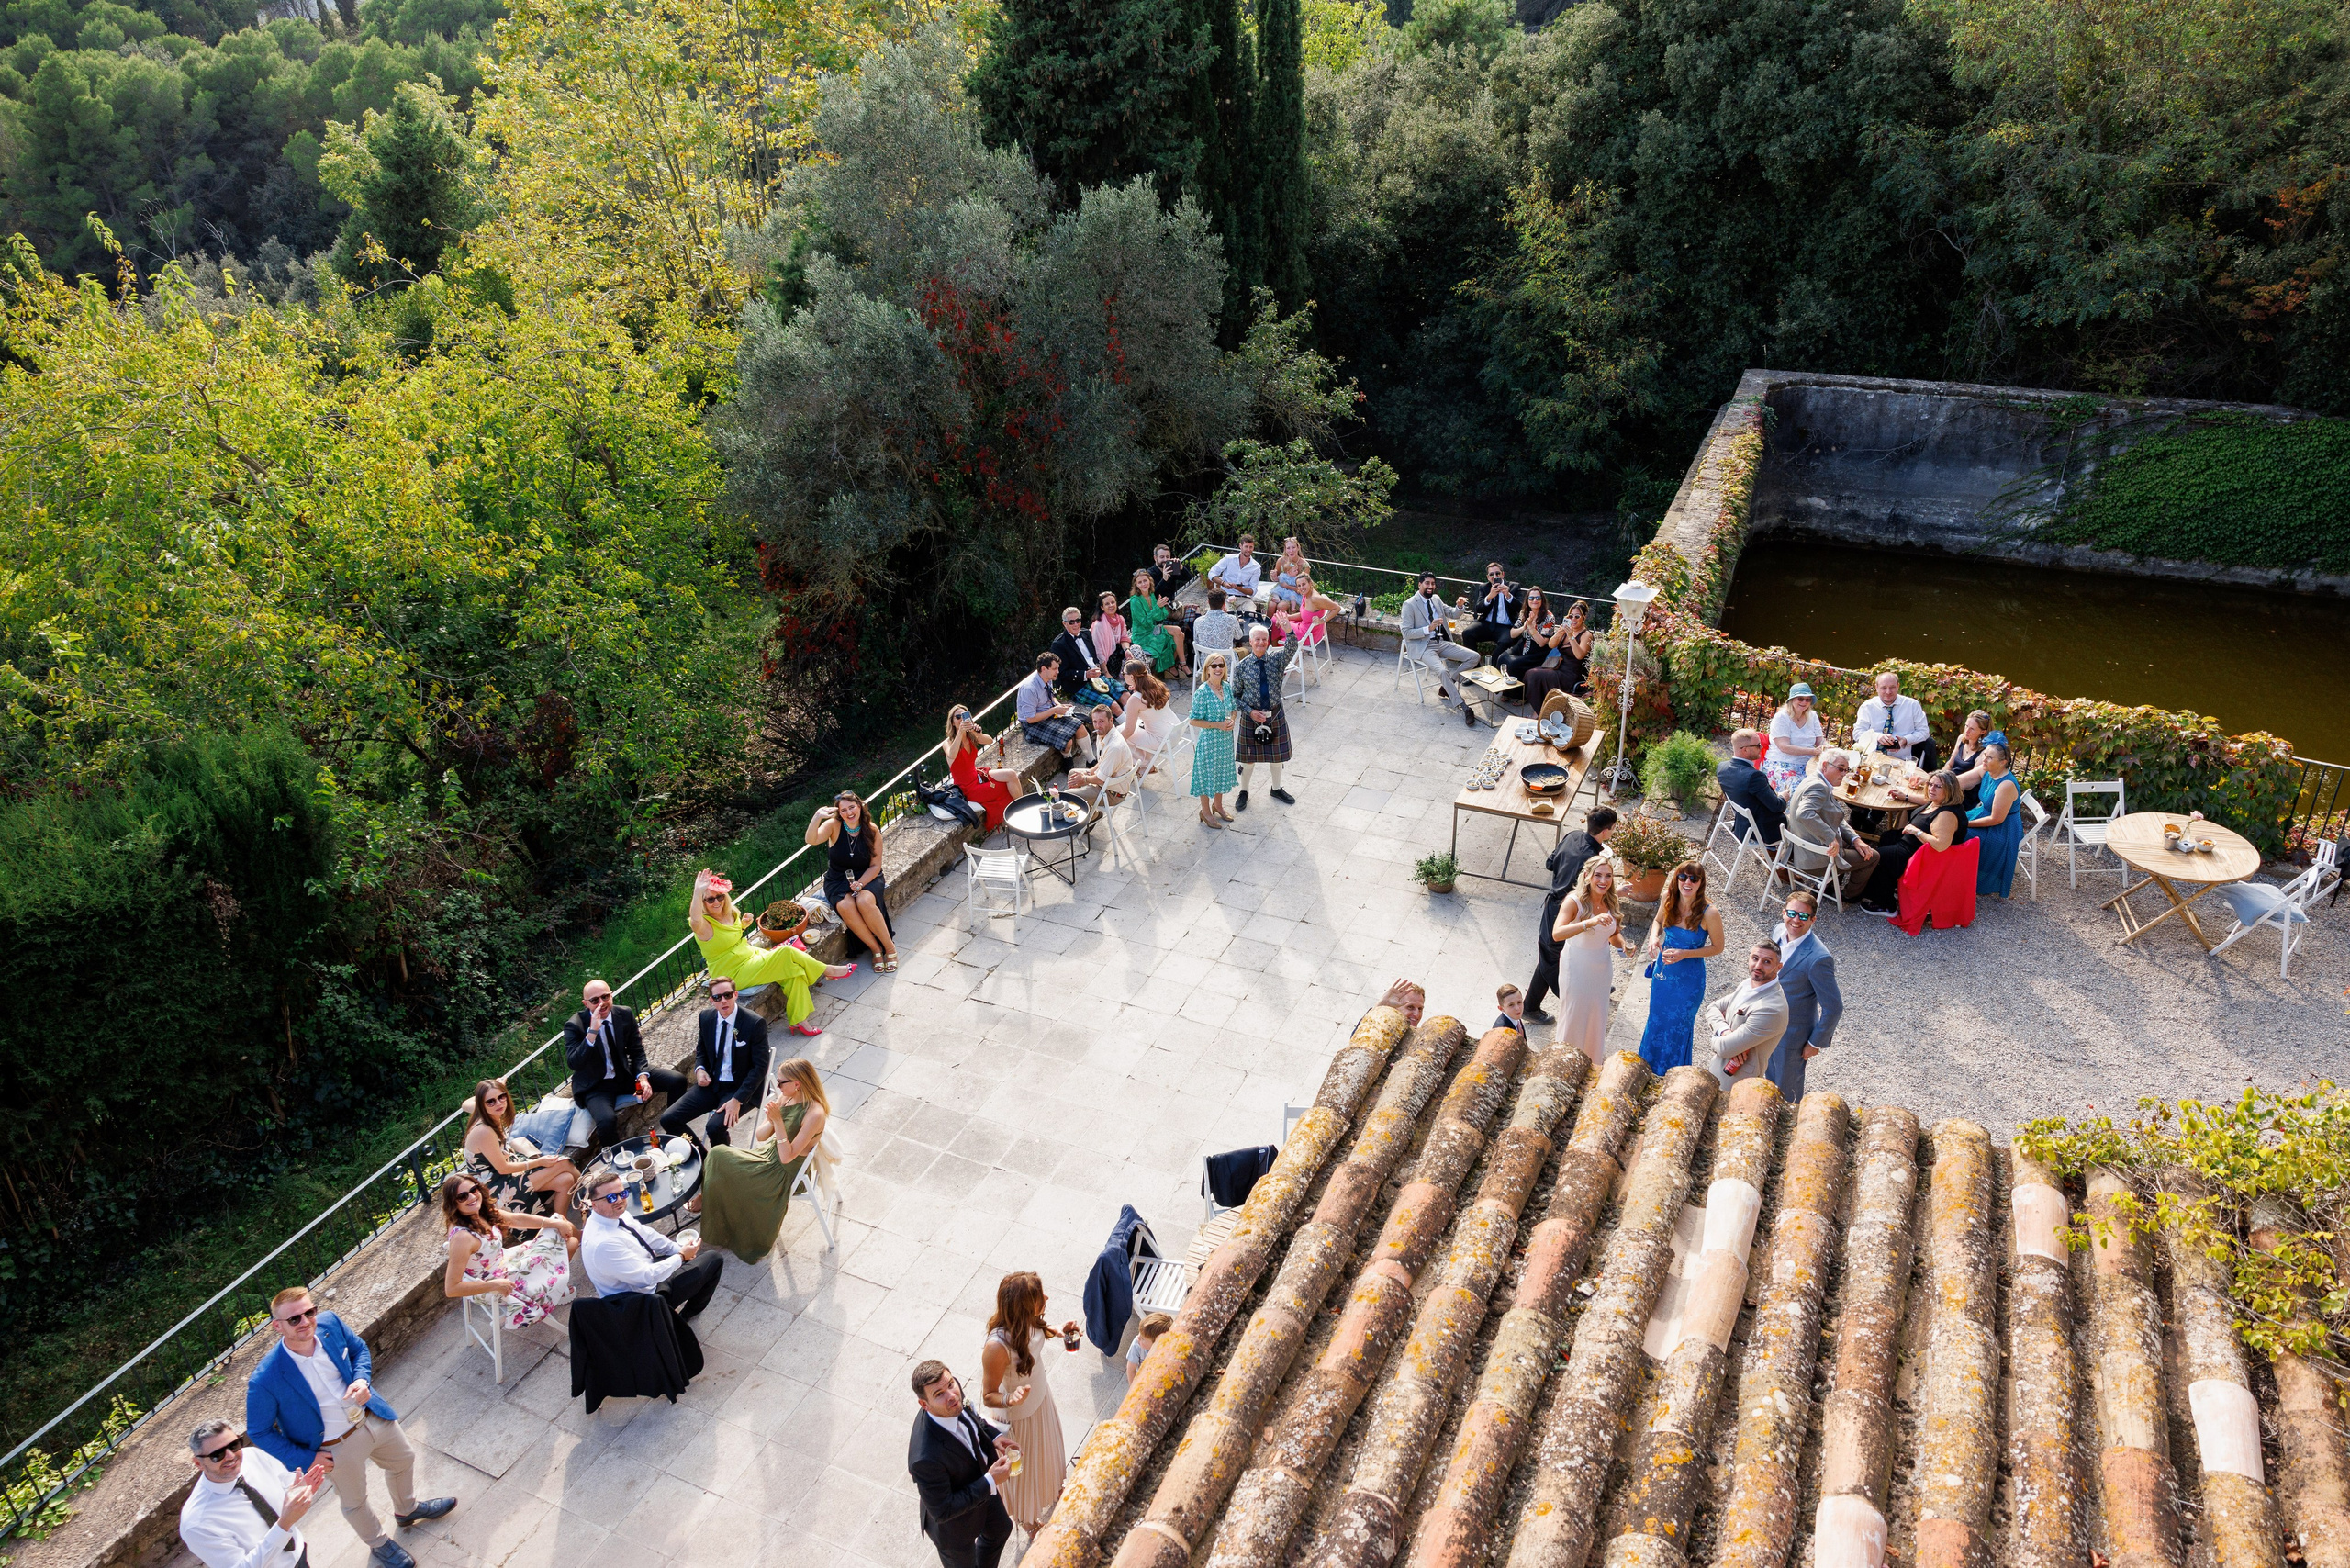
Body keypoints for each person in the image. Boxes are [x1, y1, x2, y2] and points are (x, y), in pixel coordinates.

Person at [247, 1287, 453, 1568]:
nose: (306, 1321)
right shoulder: (266, 1378)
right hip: (334, 1447)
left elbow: (358, 1350)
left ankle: (407, 1509)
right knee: (355, 1501)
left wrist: (361, 1380)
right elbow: (258, 1431)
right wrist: (307, 1459)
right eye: (295, 1319)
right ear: (277, 1326)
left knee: (404, 1459)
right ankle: (379, 1545)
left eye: (309, 1312)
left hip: (371, 1417)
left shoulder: (330, 1323)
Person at [696, 1058, 834, 1264]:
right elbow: (761, 1136)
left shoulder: (815, 1113)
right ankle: (711, 1204)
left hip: (783, 1170)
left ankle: (721, 1217)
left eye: (781, 1083)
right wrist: (771, 1119)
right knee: (717, 1156)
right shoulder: (786, 1099)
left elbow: (788, 1157)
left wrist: (778, 1121)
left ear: (797, 1084)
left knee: (719, 1160)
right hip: (768, 1155)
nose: (777, 1087)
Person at [690, 870, 852, 1038]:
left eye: (720, 897)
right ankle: (827, 970)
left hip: (751, 956)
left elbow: (728, 938)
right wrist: (697, 890)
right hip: (732, 972)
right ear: (702, 902)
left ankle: (799, 1020)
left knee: (793, 972)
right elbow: (695, 921)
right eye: (710, 899)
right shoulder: (704, 925)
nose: (716, 902)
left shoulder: (729, 913)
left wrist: (743, 925)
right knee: (786, 952)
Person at [980, 1271, 1077, 1536]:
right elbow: (988, 1393)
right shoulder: (996, 1348)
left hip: (1041, 1401)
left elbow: (1036, 1333)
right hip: (1019, 1418)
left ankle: (1054, 1485)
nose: (1046, 1298)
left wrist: (1058, 1330)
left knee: (1048, 1450)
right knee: (1026, 1472)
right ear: (1023, 1306)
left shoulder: (1028, 1321)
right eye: (1039, 1297)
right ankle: (1027, 1519)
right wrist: (1009, 1398)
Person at [908, 1360, 1017, 1568]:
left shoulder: (954, 1398)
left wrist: (993, 1437)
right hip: (954, 1527)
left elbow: (974, 1419)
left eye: (950, 1384)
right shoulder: (924, 1458)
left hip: (983, 1490)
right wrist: (990, 1481)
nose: (951, 1396)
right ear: (924, 1404)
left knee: (1001, 1529)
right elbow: (943, 1509)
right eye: (938, 1394)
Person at [180, 1417, 330, 1568]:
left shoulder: (252, 1456)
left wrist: (299, 1491)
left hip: (299, 1555)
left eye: (234, 1445)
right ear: (198, 1463)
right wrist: (284, 1524)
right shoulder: (197, 1522)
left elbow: (284, 1483)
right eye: (217, 1455)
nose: (231, 1456)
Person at [577, 1169, 724, 1317]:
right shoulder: (604, 1244)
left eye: (622, 1194)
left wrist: (677, 1249)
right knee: (714, 1260)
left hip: (644, 1275)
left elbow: (648, 1236)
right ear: (594, 1204)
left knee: (686, 1261)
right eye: (610, 1198)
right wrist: (681, 1256)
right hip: (641, 1300)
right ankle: (683, 1318)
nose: (619, 1200)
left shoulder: (615, 1215)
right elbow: (646, 1277)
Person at [438, 1171, 576, 1329]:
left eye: (473, 1190)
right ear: (453, 1203)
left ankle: (552, 1288)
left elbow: (515, 1219)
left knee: (560, 1224)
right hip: (491, 1284)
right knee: (569, 1242)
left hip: (504, 1262)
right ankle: (550, 1289)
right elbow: (452, 1288)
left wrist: (553, 1223)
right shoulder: (463, 1238)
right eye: (462, 1196)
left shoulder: (480, 1212)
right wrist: (494, 1285)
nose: (471, 1197)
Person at [564, 980, 687, 1150]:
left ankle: (675, 1132)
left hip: (624, 1074)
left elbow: (636, 1050)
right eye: (595, 1000)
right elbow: (574, 1063)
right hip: (596, 1085)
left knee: (677, 1080)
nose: (602, 1003)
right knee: (606, 1121)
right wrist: (592, 1032)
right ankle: (618, 1159)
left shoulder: (624, 1013)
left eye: (605, 997)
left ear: (611, 995)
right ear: (586, 1004)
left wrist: (642, 1077)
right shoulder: (575, 1025)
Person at [655, 977, 774, 1148]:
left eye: (727, 995)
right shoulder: (706, 1018)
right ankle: (703, 1160)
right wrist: (700, 1069)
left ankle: (722, 1164)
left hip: (740, 1088)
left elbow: (761, 1066)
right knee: (669, 1119)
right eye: (718, 997)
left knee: (714, 1127)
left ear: (736, 995)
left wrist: (737, 1100)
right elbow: (702, 1048)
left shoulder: (753, 1023)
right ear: (712, 1000)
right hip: (713, 1084)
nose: (723, 1000)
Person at [1524, 806, 1617, 1021]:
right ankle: (1573, 997)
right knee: (1551, 956)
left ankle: (1533, 1005)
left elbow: (1550, 863)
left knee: (1557, 953)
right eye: (1612, 829)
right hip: (1567, 909)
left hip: (1558, 906)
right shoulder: (1593, 859)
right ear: (1605, 832)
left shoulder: (1572, 835)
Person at [1637, 860, 1725, 1074]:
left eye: (1694, 879)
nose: (1688, 882)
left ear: (1701, 883)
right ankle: (1646, 1070)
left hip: (1689, 980)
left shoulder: (1709, 913)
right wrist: (1653, 938)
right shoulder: (1668, 898)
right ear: (1676, 879)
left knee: (1678, 1027)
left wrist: (1685, 954)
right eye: (1683, 877)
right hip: (1664, 973)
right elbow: (1657, 922)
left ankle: (1671, 1074)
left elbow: (1718, 947)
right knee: (1656, 1020)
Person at [1857, 768, 1971, 913]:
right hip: (1910, 844)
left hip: (1920, 856)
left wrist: (1916, 831)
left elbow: (1940, 845)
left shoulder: (1947, 815)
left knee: (1877, 857)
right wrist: (1904, 797)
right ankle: (1891, 884)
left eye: (1938, 786)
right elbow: (1925, 801)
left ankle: (1886, 904)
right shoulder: (1938, 801)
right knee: (1887, 837)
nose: (1931, 789)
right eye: (1930, 784)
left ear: (1950, 789)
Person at [462, 1078, 578, 1216]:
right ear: (482, 1104)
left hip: (505, 1174)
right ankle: (590, 1190)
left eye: (501, 1096)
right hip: (494, 1188)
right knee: (563, 1162)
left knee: (566, 1180)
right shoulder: (484, 1131)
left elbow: (465, 1104)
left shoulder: (484, 1111)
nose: (498, 1103)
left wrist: (495, 1086)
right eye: (491, 1101)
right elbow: (503, 1168)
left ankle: (561, 1225)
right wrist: (539, 1162)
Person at [809, 790, 898, 972]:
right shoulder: (833, 826)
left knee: (864, 901)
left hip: (867, 875)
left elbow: (875, 865)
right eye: (843, 810)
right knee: (845, 906)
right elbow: (811, 839)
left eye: (852, 807)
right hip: (837, 878)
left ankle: (890, 949)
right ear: (838, 813)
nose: (849, 813)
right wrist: (817, 817)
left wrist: (861, 884)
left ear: (859, 806)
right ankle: (876, 950)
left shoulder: (871, 830)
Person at [1766, 892, 1841, 1103]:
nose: (1796, 920)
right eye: (1791, 913)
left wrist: (1815, 1043)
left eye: (1803, 916)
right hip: (1766, 1024)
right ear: (1783, 913)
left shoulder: (1819, 958)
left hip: (1792, 1036)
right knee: (1766, 1077)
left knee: (1786, 1091)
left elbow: (1834, 1007)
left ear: (1813, 920)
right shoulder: (1779, 932)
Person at [1551, 857, 1627, 1066]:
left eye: (1608, 876)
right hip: (1577, 966)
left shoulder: (1611, 901)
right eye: (1598, 875)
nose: (1603, 880)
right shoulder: (1573, 901)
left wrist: (1624, 946)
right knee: (1574, 1015)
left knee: (1597, 1017)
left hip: (1602, 969)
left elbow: (1613, 935)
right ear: (1587, 876)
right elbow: (1557, 933)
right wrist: (1588, 922)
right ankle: (1563, 1062)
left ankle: (1592, 1064)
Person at [1786, 753, 1882, 893]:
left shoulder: (1814, 780)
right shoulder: (1819, 787)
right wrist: (1831, 837)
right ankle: (1849, 895)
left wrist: (1856, 839)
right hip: (1814, 859)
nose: (1844, 774)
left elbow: (1835, 818)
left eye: (1846, 770)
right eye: (1840, 768)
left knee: (1856, 845)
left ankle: (1829, 886)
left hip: (1803, 848)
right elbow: (1804, 813)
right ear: (1825, 765)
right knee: (1874, 856)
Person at [1232, 622, 1302, 811]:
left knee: (1277, 758)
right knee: (1247, 760)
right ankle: (1244, 791)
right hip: (1251, 718)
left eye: (1264, 639)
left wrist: (1288, 629)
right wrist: (1250, 712)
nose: (1261, 642)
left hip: (1274, 714)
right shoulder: (1241, 667)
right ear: (1251, 642)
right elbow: (1234, 697)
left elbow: (1293, 646)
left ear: (1268, 641)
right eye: (1257, 639)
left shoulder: (1277, 661)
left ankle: (1276, 788)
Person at [1703, 942, 1788, 1088]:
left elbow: (1724, 1048)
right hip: (1716, 1070)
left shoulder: (1772, 1008)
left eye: (1767, 962)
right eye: (1755, 958)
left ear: (1778, 967)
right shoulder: (1747, 983)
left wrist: (1717, 1040)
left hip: (1737, 1082)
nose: (1758, 966)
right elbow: (1713, 1007)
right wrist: (1725, 1032)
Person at [1400, 572, 1482, 724]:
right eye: (1427, 583)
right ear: (1420, 584)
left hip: (1441, 642)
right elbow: (1406, 632)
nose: (1431, 586)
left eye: (1433, 583)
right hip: (1424, 646)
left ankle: (1447, 684)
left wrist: (1459, 606)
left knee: (1474, 657)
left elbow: (1452, 613)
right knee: (1443, 670)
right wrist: (1428, 629)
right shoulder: (1410, 605)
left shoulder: (1436, 599)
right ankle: (1464, 707)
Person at [946, 704, 1024, 833]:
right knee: (1005, 786)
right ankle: (1016, 813)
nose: (961, 719)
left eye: (964, 716)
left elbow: (989, 741)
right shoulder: (948, 742)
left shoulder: (970, 736)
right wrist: (960, 732)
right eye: (958, 717)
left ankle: (1022, 807)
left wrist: (975, 732)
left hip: (977, 775)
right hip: (967, 788)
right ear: (952, 722)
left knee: (1011, 775)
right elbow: (952, 754)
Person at [1965, 740, 2026, 898]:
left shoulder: (2006, 785)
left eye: (1989, 757)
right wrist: (1933, 781)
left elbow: (1996, 819)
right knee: (1949, 821)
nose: (1984, 759)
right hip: (1983, 814)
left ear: (2003, 762)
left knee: (1961, 831)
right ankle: (1957, 871)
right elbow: (1959, 781)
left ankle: (1967, 877)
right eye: (1984, 755)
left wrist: (1966, 823)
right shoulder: (1986, 770)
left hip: (2001, 830)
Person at [1188, 650, 1239, 827]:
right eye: (1214, 665)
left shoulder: (1226, 687)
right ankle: (1206, 812)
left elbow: (1233, 709)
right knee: (1206, 776)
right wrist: (1218, 725)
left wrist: (1232, 719)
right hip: (1209, 742)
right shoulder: (1202, 692)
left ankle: (1218, 806)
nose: (1218, 668)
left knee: (1221, 773)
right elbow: (1193, 720)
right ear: (1207, 669)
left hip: (1225, 741)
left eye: (1221, 665)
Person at [1062, 704, 1138, 823]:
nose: (1098, 726)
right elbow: (1103, 760)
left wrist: (1085, 779)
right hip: (1105, 782)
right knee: (1073, 773)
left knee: (1067, 796)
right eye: (1095, 721)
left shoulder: (1114, 747)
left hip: (1112, 793)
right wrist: (1089, 772)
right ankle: (1083, 810)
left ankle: (1092, 816)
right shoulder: (1103, 734)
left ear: (1111, 720)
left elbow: (1101, 780)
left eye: (1101, 721)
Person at [1854, 670, 1937, 769]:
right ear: (1876, 687)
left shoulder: (1912, 705)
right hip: (1872, 761)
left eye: (1892, 687)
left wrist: (1906, 740)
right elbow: (1857, 733)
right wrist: (1877, 737)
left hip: (1901, 763)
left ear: (1898, 686)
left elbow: (1924, 732)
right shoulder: (1867, 707)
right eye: (1883, 688)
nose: (1888, 692)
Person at [1523, 599, 1595, 711]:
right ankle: (1542, 709)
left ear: (1584, 617)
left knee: (1534, 675)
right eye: (1571, 616)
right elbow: (1551, 645)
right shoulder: (1566, 631)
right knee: (1530, 674)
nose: (1573, 619)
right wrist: (1560, 632)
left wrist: (1571, 636)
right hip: (1559, 667)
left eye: (1577, 616)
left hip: (1572, 674)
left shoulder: (1586, 635)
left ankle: (1541, 711)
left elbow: (1579, 656)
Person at [1717, 729, 1787, 846]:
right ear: (1745, 750)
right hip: (1761, 831)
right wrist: (1784, 797)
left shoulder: (1722, 767)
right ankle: (1787, 856)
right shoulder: (1754, 777)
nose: (1761, 748)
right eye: (1758, 745)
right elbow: (1777, 807)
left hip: (1742, 823)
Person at [1050, 607, 1126, 710]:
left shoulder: (1086, 633)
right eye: (1071, 622)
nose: (1076, 624)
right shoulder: (1058, 644)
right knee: (1114, 706)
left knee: (1126, 696)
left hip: (1098, 678)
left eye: (1078, 620)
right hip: (1079, 685)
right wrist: (1086, 674)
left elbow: (1093, 657)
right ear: (1064, 623)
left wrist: (1099, 669)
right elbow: (1062, 673)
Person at [1019, 653, 1090, 760]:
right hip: (1033, 724)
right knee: (1066, 741)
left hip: (1048, 713)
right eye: (1054, 668)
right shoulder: (1029, 688)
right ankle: (1068, 762)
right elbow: (1030, 719)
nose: (1058, 672)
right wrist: (1054, 710)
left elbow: (1051, 697)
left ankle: (1091, 760)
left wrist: (1060, 706)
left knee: (1080, 726)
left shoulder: (1047, 678)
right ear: (1044, 669)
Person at [1122, 660, 1181, 774]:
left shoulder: (1135, 699)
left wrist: (1112, 741)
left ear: (1131, 676)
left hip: (1162, 740)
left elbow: (1129, 731)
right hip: (1176, 731)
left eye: (1124, 673)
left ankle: (1144, 766)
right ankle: (1145, 765)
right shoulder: (1157, 685)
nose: (1122, 675)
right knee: (1135, 729)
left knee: (1121, 733)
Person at [1125, 569, 1188, 678]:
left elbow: (1162, 615)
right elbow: (1144, 623)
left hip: (1152, 628)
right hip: (1142, 635)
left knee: (1179, 633)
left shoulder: (1152, 595)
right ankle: (1177, 666)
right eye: (1140, 582)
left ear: (1150, 581)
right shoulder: (1135, 601)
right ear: (1136, 584)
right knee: (1177, 634)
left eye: (1145, 581)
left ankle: (1179, 665)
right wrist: (1157, 607)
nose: (1143, 584)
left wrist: (1159, 607)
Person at [1765, 683, 1825, 795]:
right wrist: (1812, 751)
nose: (1804, 702)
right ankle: (1789, 812)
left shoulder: (1812, 716)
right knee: (1800, 789)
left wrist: (1826, 746)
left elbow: (1819, 741)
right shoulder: (1781, 717)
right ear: (1792, 699)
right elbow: (1784, 747)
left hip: (1808, 763)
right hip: (1782, 763)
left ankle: (1814, 812)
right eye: (1800, 699)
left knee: (1823, 786)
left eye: (1807, 700)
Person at [1460, 562, 1522, 661]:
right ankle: (1474, 665)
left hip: (1506, 626)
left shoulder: (1514, 586)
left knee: (1505, 642)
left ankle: (1492, 667)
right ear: (1488, 577)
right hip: (1486, 623)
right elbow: (1478, 609)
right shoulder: (1484, 587)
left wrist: (1508, 595)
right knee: (1467, 633)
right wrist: (1489, 597)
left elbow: (1520, 608)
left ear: (1503, 574)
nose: (1495, 576)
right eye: (1491, 574)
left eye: (1498, 573)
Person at [1497, 588, 1560, 680]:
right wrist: (1524, 627)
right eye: (1531, 598)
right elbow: (1512, 634)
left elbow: (1542, 643)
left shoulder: (1548, 618)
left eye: (1538, 598)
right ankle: (1503, 689)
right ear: (1527, 600)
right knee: (1502, 658)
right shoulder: (1524, 613)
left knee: (1513, 664)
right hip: (1523, 644)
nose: (1535, 600)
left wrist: (1531, 628)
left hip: (1537, 651)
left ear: (1542, 600)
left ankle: (1515, 693)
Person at [1946, 709, 1995, 810]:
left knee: (1917, 799)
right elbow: (1950, 765)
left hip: (1963, 796)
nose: (1967, 731)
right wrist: (1937, 778)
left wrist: (1940, 784)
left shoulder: (1984, 752)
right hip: (1947, 784)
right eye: (1966, 726)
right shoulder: (1961, 739)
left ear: (1983, 731)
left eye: (1972, 729)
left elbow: (1968, 785)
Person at [1192, 588, 1245, 667]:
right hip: (1226, 665)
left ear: (1208, 602)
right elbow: (1239, 636)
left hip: (1207, 664)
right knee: (1243, 652)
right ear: (1224, 604)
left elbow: (1197, 641)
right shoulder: (1231, 619)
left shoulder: (1198, 621)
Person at [1208, 534, 1263, 600]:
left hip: (1243, 598)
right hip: (1225, 596)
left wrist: (1240, 589)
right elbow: (1211, 573)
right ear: (1240, 546)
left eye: (1251, 547)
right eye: (1246, 547)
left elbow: (1253, 591)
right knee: (1226, 610)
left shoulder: (1256, 567)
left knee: (1250, 610)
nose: (1248, 550)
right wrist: (1223, 583)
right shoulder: (1229, 558)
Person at [1126, 1310, 1173, 1384]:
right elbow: (1131, 1370)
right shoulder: (1137, 1345)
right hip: (1143, 1380)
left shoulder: (1167, 1351)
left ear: (1156, 1344)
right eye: (1139, 1333)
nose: (1138, 1338)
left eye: (1143, 1339)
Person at [1091, 590, 1133, 673]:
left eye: (1113, 602)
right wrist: (1106, 672)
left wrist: (1126, 650)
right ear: (1102, 607)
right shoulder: (1098, 625)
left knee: (1135, 651)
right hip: (1107, 661)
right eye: (1107, 604)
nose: (1111, 605)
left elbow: (1124, 638)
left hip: (1119, 652)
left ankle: (1143, 682)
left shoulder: (1120, 619)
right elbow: (1098, 651)